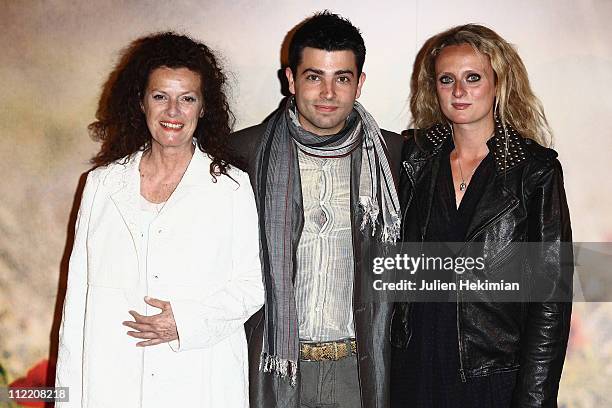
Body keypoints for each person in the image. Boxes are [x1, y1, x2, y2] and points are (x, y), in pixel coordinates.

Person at [55, 32, 264, 408]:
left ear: (203, 108)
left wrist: (183, 322)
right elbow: (78, 302)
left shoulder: (231, 187)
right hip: (112, 380)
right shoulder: (102, 184)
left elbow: (253, 285)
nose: (173, 112)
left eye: (187, 99)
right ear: (140, 102)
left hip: (199, 380)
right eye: (160, 96)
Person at [390, 24, 573, 407]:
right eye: (447, 79)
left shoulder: (533, 172)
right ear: (433, 87)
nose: (459, 92)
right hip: (414, 370)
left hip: (492, 378)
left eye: (473, 78)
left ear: (498, 83)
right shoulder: (414, 160)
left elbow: (550, 299)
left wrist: (534, 397)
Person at [229, 11, 403, 408]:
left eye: (341, 78)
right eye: (313, 77)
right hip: (271, 365)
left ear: (359, 84)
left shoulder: (394, 158)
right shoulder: (242, 155)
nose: (328, 92)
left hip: (360, 370)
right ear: (290, 79)